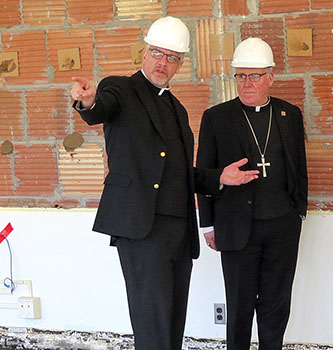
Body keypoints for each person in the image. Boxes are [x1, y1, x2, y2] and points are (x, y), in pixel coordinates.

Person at [70, 16, 258, 350]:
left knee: (173, 322)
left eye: (172, 57)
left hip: (178, 231)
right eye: (158, 53)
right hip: (142, 227)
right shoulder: (122, 89)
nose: (163, 62)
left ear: (180, 64)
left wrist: (219, 177)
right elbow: (101, 106)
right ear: (144, 53)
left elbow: (181, 173)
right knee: (152, 323)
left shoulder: (177, 108)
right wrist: (88, 101)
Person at [196, 37, 308, 350]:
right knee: (239, 305)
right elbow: (203, 174)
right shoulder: (216, 118)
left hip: (282, 226)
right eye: (241, 76)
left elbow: (299, 167)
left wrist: (299, 211)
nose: (247, 83)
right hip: (235, 227)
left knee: (275, 304)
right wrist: (207, 225)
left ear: (270, 77)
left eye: (254, 76)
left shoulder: (289, 115)